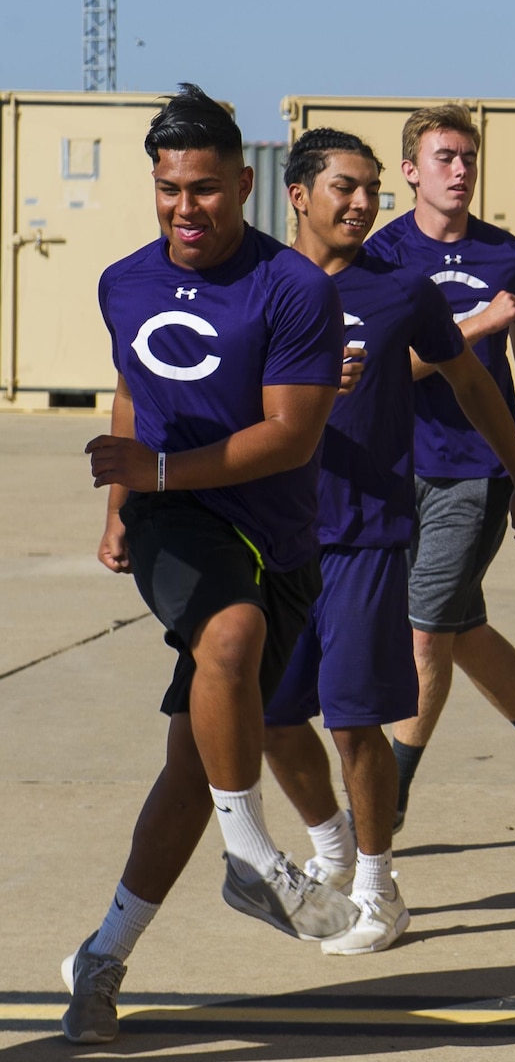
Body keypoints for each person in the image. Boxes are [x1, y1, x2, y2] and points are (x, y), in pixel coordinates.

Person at [62, 86, 355, 1045]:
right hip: (175, 519)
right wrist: (126, 502)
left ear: (244, 183)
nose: (186, 209)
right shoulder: (124, 282)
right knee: (232, 631)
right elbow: (131, 390)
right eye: (168, 190)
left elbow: (291, 437)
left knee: (195, 764)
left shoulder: (296, 289)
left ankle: (100, 963)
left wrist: (150, 466)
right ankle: (251, 857)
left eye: (205, 190)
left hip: (277, 536)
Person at [260, 130, 515, 955]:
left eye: (373, 190)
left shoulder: (401, 291)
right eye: (345, 187)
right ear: (299, 194)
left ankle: (380, 889)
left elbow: (470, 380)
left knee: (354, 720)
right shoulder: (258, 287)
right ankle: (331, 850)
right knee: (275, 721)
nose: (361, 203)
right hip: (276, 541)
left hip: (366, 538)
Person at [366, 106, 515, 839]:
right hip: (398, 466)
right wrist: (475, 327)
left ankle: (386, 803)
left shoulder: (508, 254)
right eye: (444, 158)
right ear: (410, 171)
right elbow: (386, 369)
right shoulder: (382, 255)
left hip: (478, 469)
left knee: (426, 633)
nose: (460, 169)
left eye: (468, 157)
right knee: (458, 629)